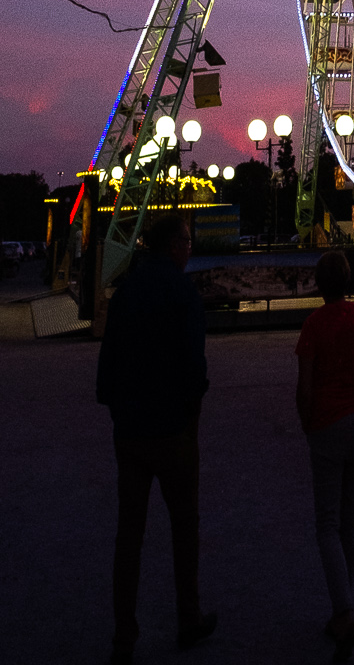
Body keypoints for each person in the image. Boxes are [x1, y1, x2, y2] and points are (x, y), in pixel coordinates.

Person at [96, 212, 215, 662]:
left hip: (129, 428)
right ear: (172, 246)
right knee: (185, 529)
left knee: (129, 535)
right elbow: (193, 364)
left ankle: (123, 636)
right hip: (171, 429)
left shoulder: (128, 290)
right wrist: (190, 414)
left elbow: (109, 356)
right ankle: (189, 618)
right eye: (187, 241)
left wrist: (113, 405)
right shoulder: (183, 292)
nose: (190, 248)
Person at [296, 249, 354, 660]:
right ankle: (344, 604)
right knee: (349, 520)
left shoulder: (314, 324)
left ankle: (345, 609)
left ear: (319, 284)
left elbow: (305, 386)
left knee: (326, 524)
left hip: (329, 424)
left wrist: (307, 423)